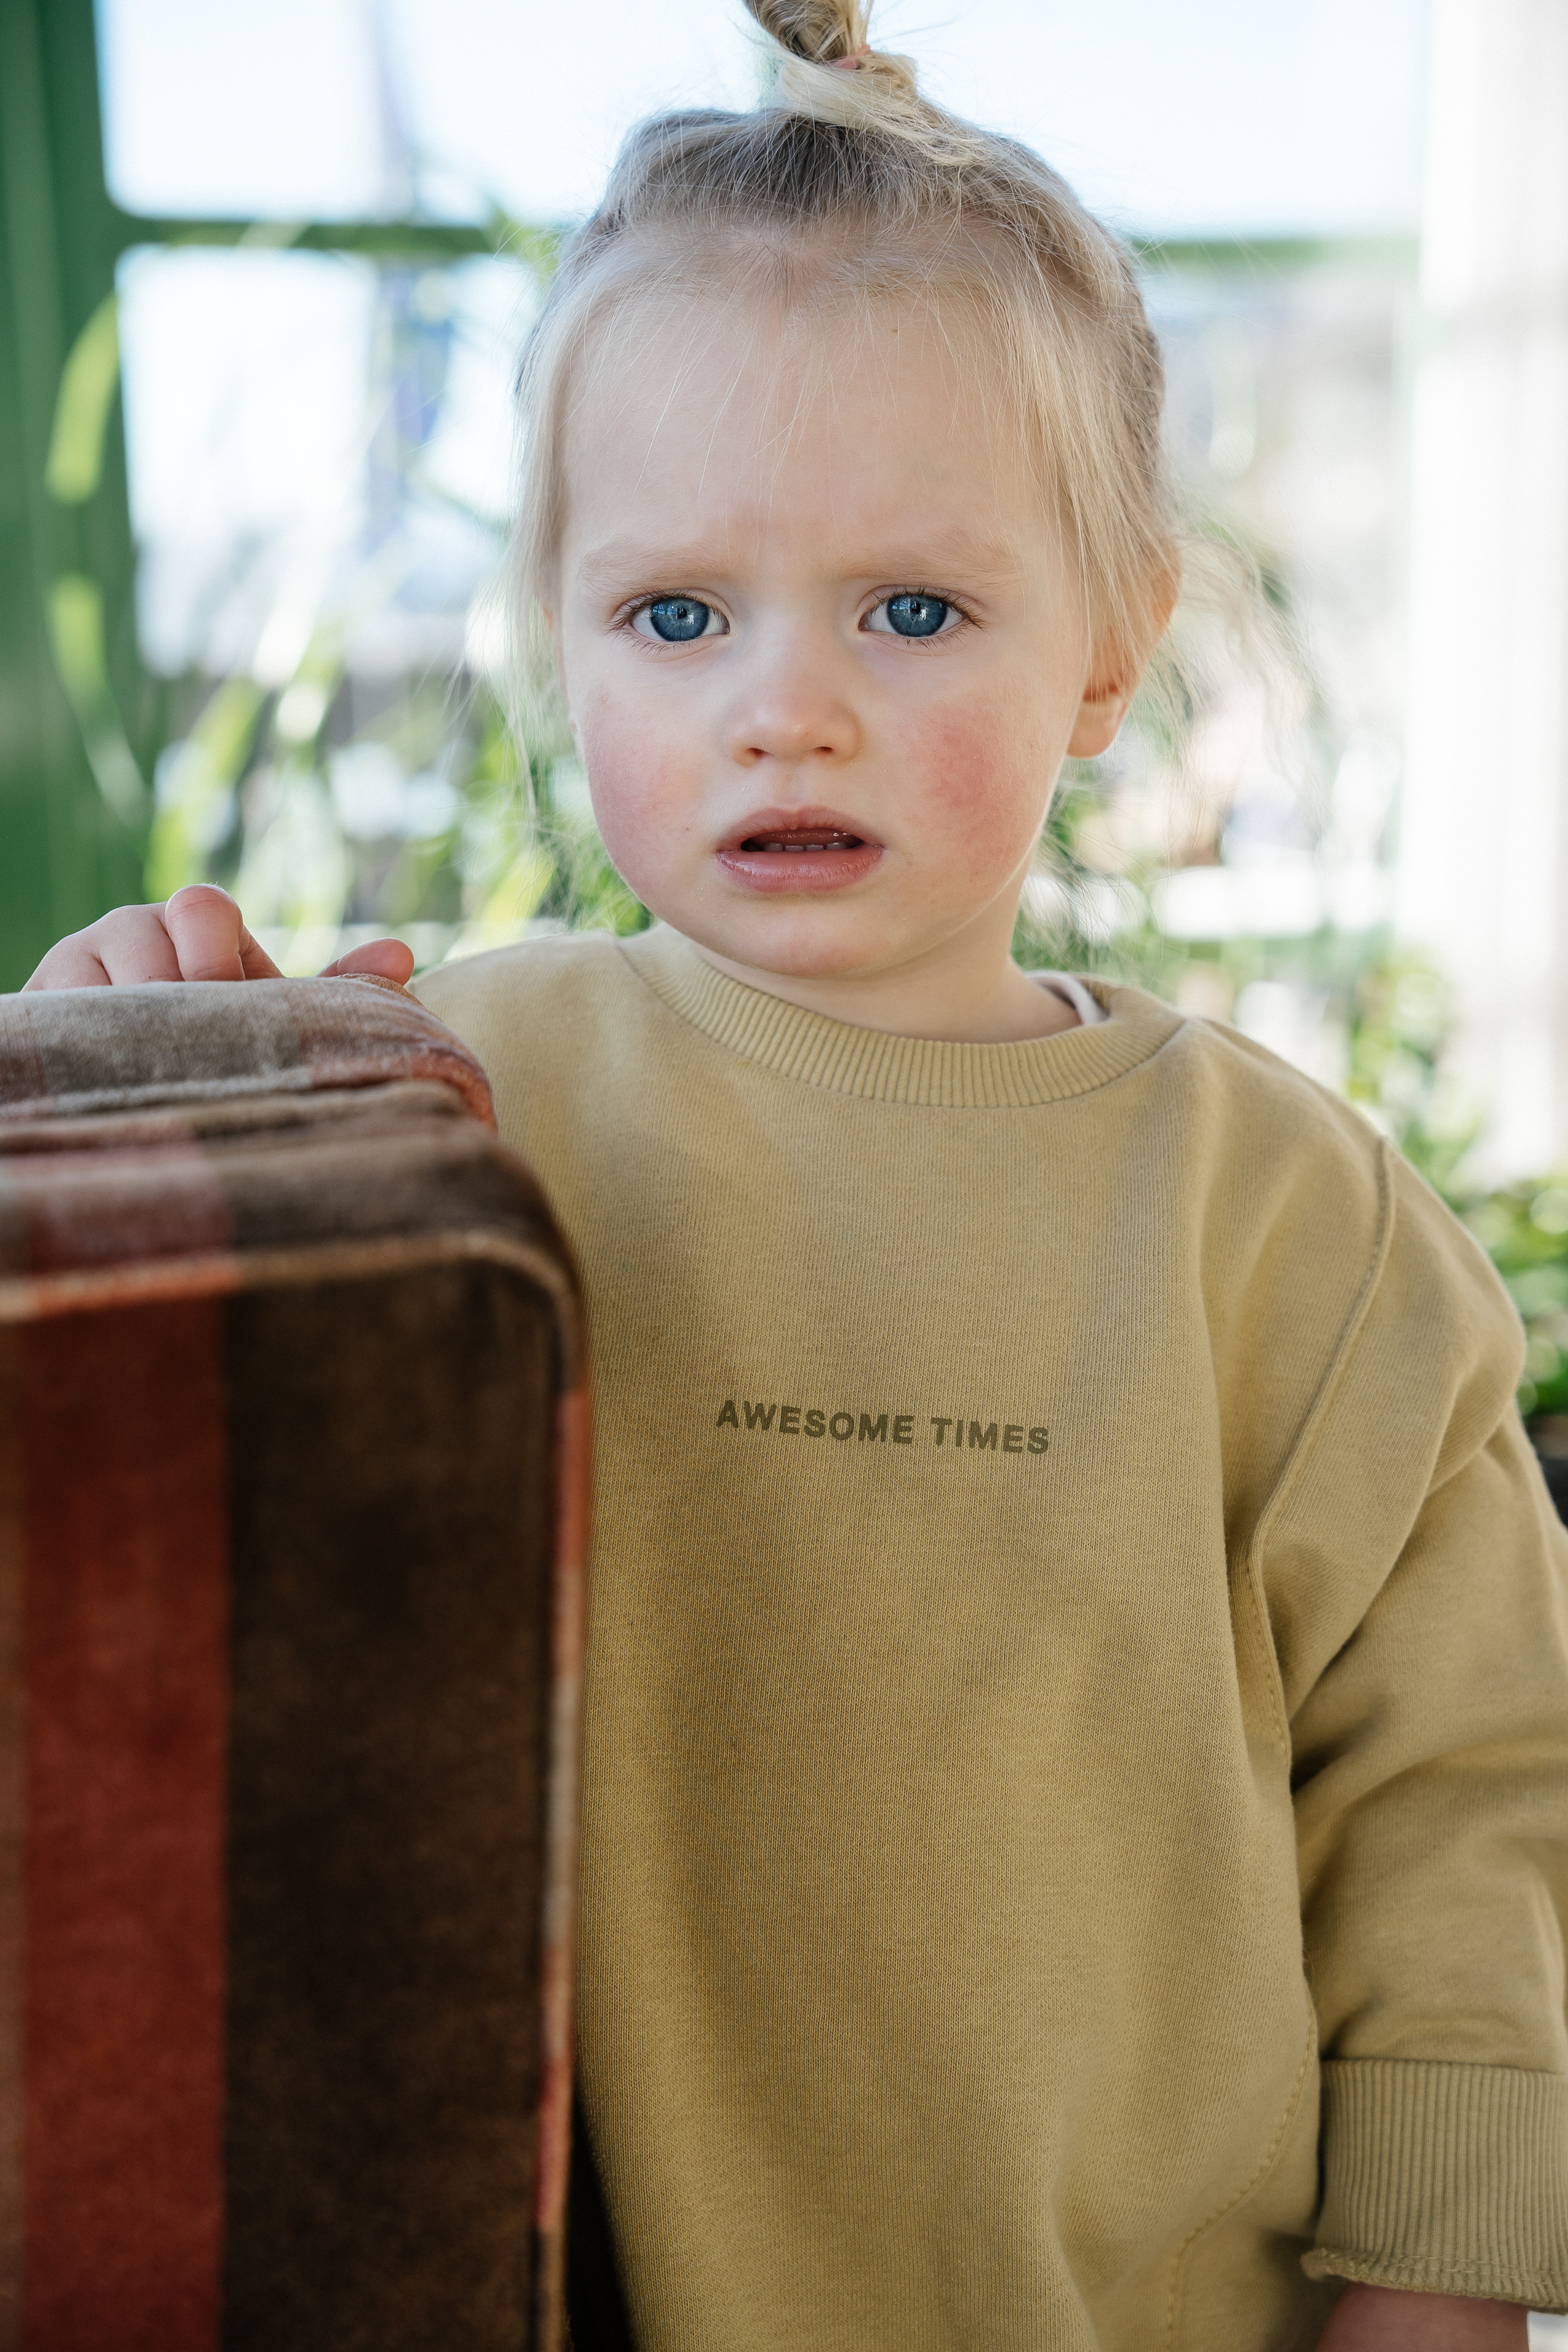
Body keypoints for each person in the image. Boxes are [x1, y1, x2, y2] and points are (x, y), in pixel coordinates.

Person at [26, 5, 1568, 2345]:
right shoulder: (450, 1095)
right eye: (675, 615)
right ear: (562, 642)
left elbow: (1466, 1807)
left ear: (1112, 648)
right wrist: (130, 1050)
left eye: (914, 610)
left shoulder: (1305, 1232)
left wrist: (1441, 2294)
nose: (786, 702)